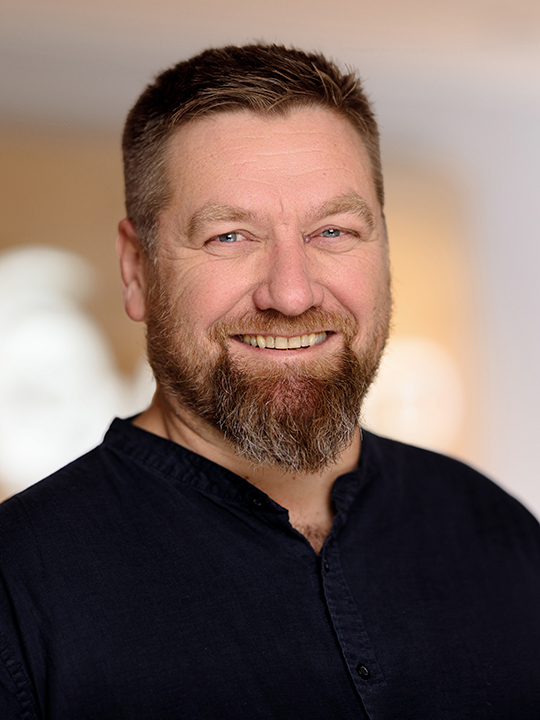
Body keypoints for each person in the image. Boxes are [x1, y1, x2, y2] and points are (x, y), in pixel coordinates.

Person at [0, 44, 538, 720]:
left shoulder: (498, 535)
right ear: (137, 270)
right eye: (230, 236)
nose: (291, 293)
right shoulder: (19, 589)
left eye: (333, 231)